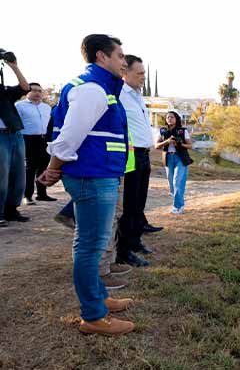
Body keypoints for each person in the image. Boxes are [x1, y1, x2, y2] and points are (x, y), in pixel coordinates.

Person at [38, 34, 135, 336]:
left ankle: (100, 298)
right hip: (93, 177)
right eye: (120, 56)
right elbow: (68, 137)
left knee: (89, 243)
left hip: (97, 174)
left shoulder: (100, 87)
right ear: (101, 57)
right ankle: (93, 316)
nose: (124, 62)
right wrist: (54, 168)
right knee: (91, 247)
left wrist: (56, 168)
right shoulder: (92, 89)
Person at [117, 54, 161, 268]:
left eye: (144, 73)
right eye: (140, 73)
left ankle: (135, 241)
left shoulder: (137, 95)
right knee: (129, 204)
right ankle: (123, 250)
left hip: (144, 155)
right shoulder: (119, 94)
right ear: (125, 73)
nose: (143, 77)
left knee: (139, 203)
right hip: (130, 156)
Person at [0, 51, 31, 227]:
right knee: (1, 175)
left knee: (19, 174)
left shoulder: (3, 90)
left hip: (15, 133)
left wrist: (14, 66)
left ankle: (12, 210)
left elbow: (25, 88)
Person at [15, 82, 57, 204]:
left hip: (44, 139)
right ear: (27, 92)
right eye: (34, 90)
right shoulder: (19, 106)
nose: (37, 93)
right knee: (30, 168)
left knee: (44, 166)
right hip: (27, 139)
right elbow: (16, 124)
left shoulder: (47, 107)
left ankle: (42, 194)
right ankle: (27, 196)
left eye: (39, 91)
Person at [155, 111, 192, 214]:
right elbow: (156, 146)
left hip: (180, 158)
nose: (169, 119)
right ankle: (179, 201)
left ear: (176, 119)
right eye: (168, 117)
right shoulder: (162, 131)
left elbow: (190, 145)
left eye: (172, 117)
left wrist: (180, 144)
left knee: (177, 181)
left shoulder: (183, 131)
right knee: (171, 185)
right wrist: (167, 142)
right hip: (168, 159)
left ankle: (177, 207)